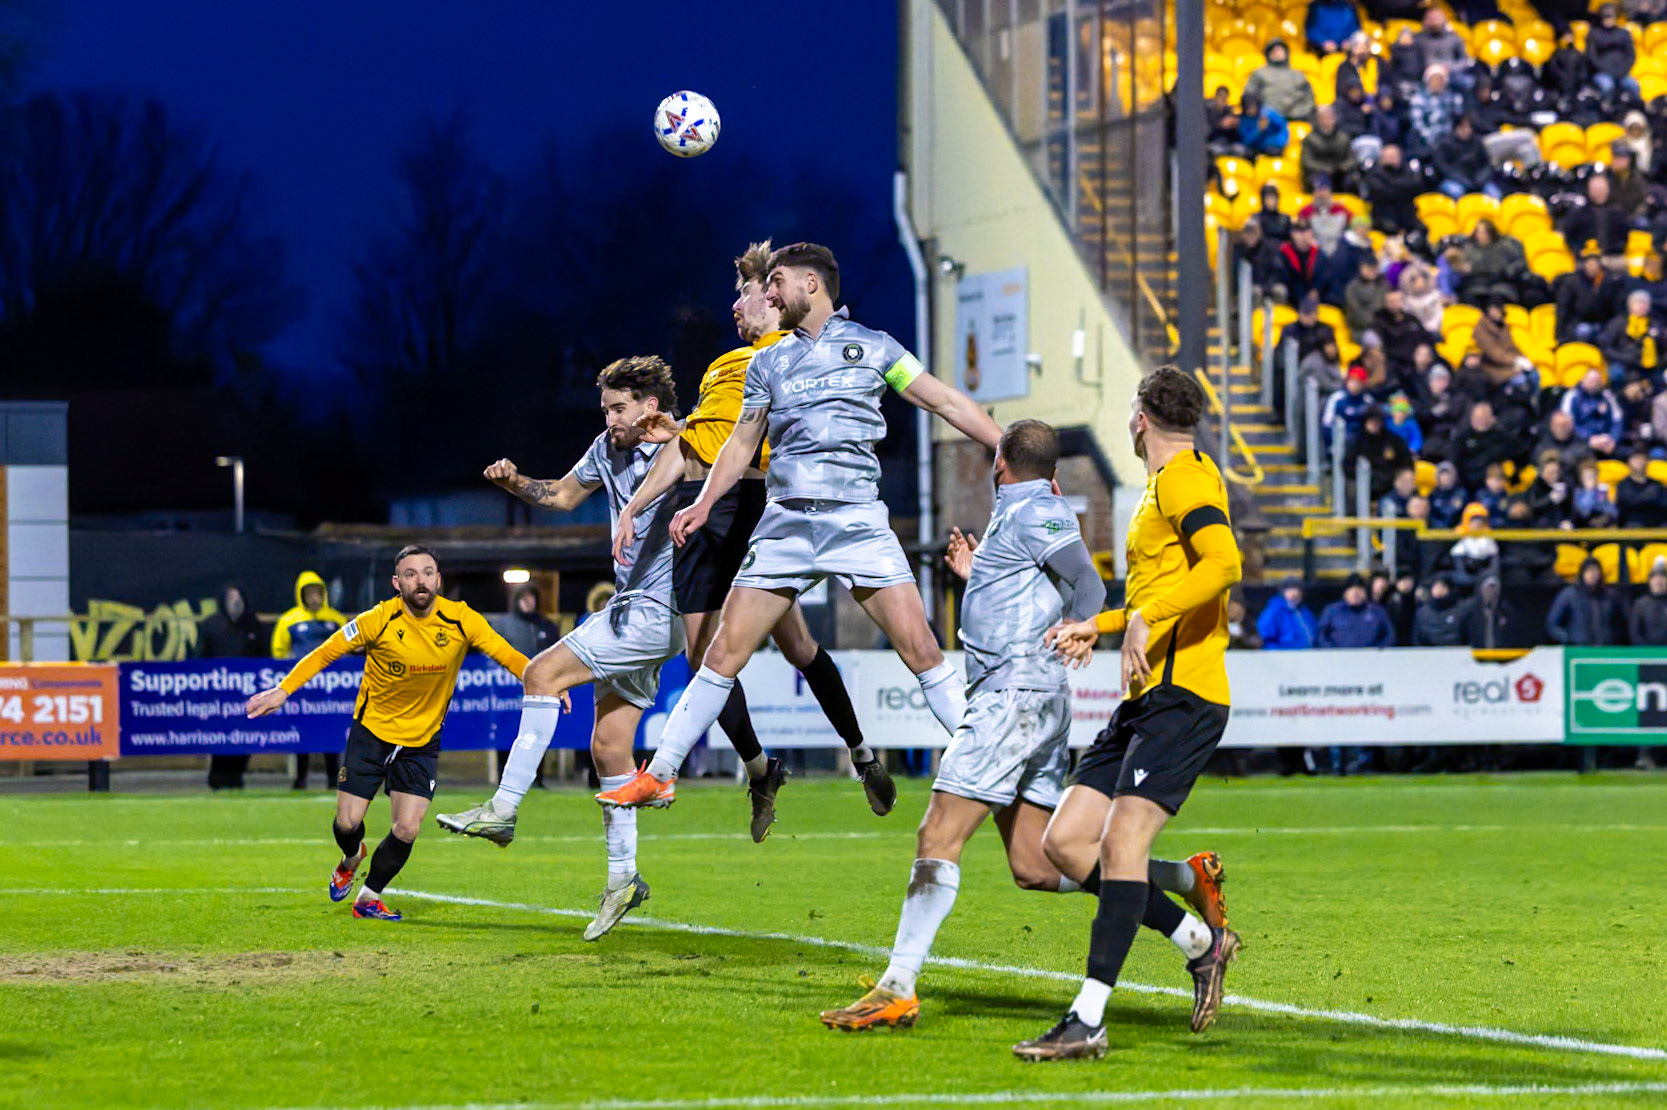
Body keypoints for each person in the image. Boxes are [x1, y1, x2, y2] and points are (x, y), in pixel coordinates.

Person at [821, 422, 1198, 1032]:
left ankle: (898, 986)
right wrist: (980, 575)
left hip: (1014, 699)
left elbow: (1088, 580)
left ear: (999, 462)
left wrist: (1082, 626)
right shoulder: (1017, 511)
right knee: (1037, 865)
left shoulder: (1036, 510)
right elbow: (1033, 589)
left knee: (937, 834)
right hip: (1028, 701)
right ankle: (1184, 882)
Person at [599, 242, 1003, 809]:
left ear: (810, 284)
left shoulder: (876, 347)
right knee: (720, 654)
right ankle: (662, 771)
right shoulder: (767, 362)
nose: (769, 294)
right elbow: (741, 443)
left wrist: (1009, 450)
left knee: (921, 650)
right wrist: (703, 502)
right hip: (784, 524)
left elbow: (945, 403)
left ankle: (987, 763)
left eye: (777, 282)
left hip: (856, 519)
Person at [610, 242, 892, 833]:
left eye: (745, 293)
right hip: (703, 510)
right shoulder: (723, 366)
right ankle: (760, 769)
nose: (736, 305)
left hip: (759, 505)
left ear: (773, 293)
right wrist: (636, 503)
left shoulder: (793, 356)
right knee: (702, 657)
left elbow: (761, 438)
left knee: (798, 648)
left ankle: (862, 754)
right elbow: (694, 447)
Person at [1012, 367, 1242, 1060]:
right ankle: (1198, 940)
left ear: (1140, 417)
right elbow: (1158, 596)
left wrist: (1143, 615)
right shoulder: (1165, 482)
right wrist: (1103, 623)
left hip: (1184, 698)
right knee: (1063, 844)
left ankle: (1087, 1020)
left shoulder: (1184, 480)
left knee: (1118, 847)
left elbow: (1223, 564)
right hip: (1143, 701)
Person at [434, 356, 694, 940]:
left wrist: (680, 434)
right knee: (609, 747)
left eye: (619, 408)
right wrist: (515, 482)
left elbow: (735, 454)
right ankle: (623, 879)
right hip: (635, 607)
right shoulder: (607, 448)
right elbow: (560, 494)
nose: (609, 419)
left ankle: (503, 808)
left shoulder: (688, 444)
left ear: (650, 406)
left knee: (541, 673)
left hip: (659, 608)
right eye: (604, 409)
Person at [245, 546, 529, 922]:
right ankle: (351, 857)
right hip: (372, 733)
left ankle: (368, 898)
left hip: (421, 740)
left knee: (407, 828)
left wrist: (545, 683)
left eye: (427, 572)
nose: (420, 580)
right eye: (410, 574)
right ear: (397, 583)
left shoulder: (462, 619)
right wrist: (283, 690)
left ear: (438, 579)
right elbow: (326, 652)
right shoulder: (378, 619)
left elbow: (508, 655)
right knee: (347, 823)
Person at [271, 570, 346, 790]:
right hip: (302, 688)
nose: (314, 597)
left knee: (331, 732)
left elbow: (348, 646)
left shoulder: (335, 619)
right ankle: (300, 778)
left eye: (317, 592)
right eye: (309, 593)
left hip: (329, 689)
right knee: (302, 733)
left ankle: (333, 778)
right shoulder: (289, 620)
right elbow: (278, 651)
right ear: (301, 595)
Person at [488, 585, 561, 789]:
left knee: (537, 732)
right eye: (524, 597)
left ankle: (537, 778)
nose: (528, 601)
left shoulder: (546, 626)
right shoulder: (503, 625)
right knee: (507, 734)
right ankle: (505, 779)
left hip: (538, 691)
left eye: (531, 597)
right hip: (507, 692)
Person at [199, 584, 264, 790]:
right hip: (220, 696)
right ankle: (217, 777)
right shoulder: (211, 625)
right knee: (221, 737)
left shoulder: (253, 625)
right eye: (231, 598)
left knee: (245, 737)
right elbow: (200, 659)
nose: (236, 602)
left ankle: (237, 776)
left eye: (239, 597)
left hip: (247, 694)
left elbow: (265, 657)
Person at [1547, 556, 1628, 645]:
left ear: (1600, 573)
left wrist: (1614, 638)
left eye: (1595, 570)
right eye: (1588, 571)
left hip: (1606, 649)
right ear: (1582, 573)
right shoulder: (1569, 595)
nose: (1592, 574)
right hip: (1578, 648)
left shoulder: (1611, 596)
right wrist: (1568, 638)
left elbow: (1623, 622)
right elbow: (1552, 625)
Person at [1561, 178, 1632, 271]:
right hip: (1585, 259)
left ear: (1608, 190)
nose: (1599, 193)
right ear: (1589, 191)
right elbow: (1569, 237)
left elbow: (1627, 235)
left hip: (1613, 258)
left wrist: (1619, 248)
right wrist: (1581, 253)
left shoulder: (1618, 213)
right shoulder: (1578, 214)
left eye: (1601, 190)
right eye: (1595, 190)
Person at [1346, 405, 1414, 501]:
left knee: (1407, 477)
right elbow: (1348, 466)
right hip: (1365, 480)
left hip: (1390, 480)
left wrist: (1400, 475)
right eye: (1371, 421)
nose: (1374, 424)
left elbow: (1406, 462)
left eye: (1377, 421)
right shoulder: (1357, 441)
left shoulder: (1393, 439)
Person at [1450, 400, 1520, 491]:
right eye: (1477, 418)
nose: (1480, 421)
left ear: (1491, 418)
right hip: (1466, 481)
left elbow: (1516, 451)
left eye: (1483, 418)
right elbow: (1454, 460)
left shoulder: (1500, 435)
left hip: (1492, 481)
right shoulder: (1463, 435)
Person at [1556, 248, 1622, 342]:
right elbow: (1563, 309)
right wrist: (1560, 334)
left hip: (1603, 323)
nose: (1593, 267)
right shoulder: (1572, 282)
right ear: (1584, 265)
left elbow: (1616, 307)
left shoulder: (1609, 281)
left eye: (1595, 263)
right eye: (1590, 263)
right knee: (1583, 331)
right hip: (1579, 323)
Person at [1243, 39, 1315, 123]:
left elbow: (1309, 98)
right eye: (1274, 51)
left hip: (1296, 117)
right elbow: (1250, 93)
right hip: (1267, 118)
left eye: (1280, 50)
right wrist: (1256, 109)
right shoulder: (1259, 73)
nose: (1277, 53)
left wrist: (1299, 113)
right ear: (1268, 54)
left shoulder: (1299, 75)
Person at [1317, 572, 1396, 647]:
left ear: (1365, 593)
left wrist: (1377, 650)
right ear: (1345, 593)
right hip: (1340, 655)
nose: (1355, 593)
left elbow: (1390, 635)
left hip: (1370, 655)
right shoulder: (1332, 611)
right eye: (1351, 590)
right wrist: (1332, 651)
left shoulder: (1377, 611)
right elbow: (1321, 635)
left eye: (1359, 589)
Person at [1560, 369, 1624, 458]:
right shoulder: (1572, 396)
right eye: (1591, 381)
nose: (1594, 384)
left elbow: (1617, 419)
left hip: (1606, 441)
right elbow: (1568, 423)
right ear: (1583, 380)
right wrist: (1589, 439)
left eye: (1597, 381)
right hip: (1580, 442)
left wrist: (1613, 439)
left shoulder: (1608, 396)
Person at [1600, 291, 1663, 381]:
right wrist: (1623, 357)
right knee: (1616, 372)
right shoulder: (1618, 323)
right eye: (1638, 302)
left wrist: (1659, 360)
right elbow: (1605, 346)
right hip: (1623, 363)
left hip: (1649, 365)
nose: (1642, 306)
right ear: (1630, 304)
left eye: (1645, 303)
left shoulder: (1655, 324)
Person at [1433, 115, 1497, 199]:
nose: (1467, 130)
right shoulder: (1445, 144)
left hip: (1477, 180)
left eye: (1469, 127)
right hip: (1455, 180)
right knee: (1456, 192)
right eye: (1463, 127)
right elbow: (1443, 168)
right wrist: (1462, 180)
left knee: (1494, 193)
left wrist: (1481, 178)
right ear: (1456, 128)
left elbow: (1488, 164)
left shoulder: (1477, 142)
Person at [1587, 4, 1640, 101]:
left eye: (1611, 16)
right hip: (1602, 72)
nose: (1609, 19)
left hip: (1622, 73)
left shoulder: (1624, 33)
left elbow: (1631, 55)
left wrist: (1622, 70)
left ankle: (1634, 107)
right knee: (1607, 85)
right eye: (1606, 17)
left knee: (1633, 85)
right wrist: (1607, 71)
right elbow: (1592, 57)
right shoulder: (1593, 34)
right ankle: (1605, 107)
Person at [1408, 65, 1463, 155]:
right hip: (1427, 138)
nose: (1437, 83)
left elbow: (1459, 118)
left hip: (1450, 137)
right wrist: (1429, 136)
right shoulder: (1419, 99)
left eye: (1440, 80)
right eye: (1434, 80)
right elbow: (1417, 124)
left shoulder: (1453, 98)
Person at [1302, 108, 1358, 194]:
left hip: (1340, 173)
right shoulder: (1310, 139)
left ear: (1334, 119)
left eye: (1329, 117)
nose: (1327, 120)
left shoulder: (1344, 138)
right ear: (1318, 120)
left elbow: (1352, 159)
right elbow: (1307, 162)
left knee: (1352, 181)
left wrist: (1342, 167)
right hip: (1319, 173)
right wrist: (1327, 169)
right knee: (1320, 181)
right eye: (1323, 117)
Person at [1257, 580, 1318, 649]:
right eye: (1291, 594)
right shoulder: (1274, 611)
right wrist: (1276, 653)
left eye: (1298, 594)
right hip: (1284, 653)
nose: (1295, 596)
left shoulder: (1304, 611)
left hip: (1307, 653)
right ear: (1283, 593)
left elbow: (1314, 633)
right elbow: (1266, 637)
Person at [1299, 175, 1352, 254]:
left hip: (1338, 250)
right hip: (1315, 251)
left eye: (1324, 190)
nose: (1321, 194)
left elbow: (1354, 226)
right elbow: (1300, 230)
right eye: (1318, 190)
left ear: (1329, 191)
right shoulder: (1306, 211)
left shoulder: (1340, 209)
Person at [1616, 447, 1667, 526]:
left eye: (1642, 458)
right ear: (1628, 462)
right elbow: (1630, 503)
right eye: (1636, 458)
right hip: (1633, 525)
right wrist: (1651, 497)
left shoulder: (1656, 484)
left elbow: (1664, 504)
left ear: (1647, 462)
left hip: (1657, 524)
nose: (1639, 462)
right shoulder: (1623, 485)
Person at [1412, 574, 1465, 645]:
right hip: (1427, 650)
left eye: (1443, 586)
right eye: (1436, 587)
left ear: (1449, 589)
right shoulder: (1422, 612)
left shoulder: (1461, 610)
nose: (1439, 590)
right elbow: (1417, 638)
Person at [1344, 254, 1389, 335]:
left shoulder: (1383, 284)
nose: (1372, 271)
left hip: (1383, 326)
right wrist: (1375, 323)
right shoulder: (1352, 288)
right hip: (1360, 329)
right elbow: (1356, 312)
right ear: (1361, 268)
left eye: (1374, 268)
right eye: (1369, 268)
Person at [1236, 92, 1290, 158]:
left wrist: (1278, 143)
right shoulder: (1244, 119)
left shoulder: (1269, 114)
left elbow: (1283, 128)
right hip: (1255, 148)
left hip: (1272, 146)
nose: (1251, 111)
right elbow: (1246, 141)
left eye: (1252, 107)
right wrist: (1259, 130)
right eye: (1248, 109)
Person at [1571, 458, 1620, 527]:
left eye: (1593, 476)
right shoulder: (1578, 493)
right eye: (1588, 477)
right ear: (1582, 478)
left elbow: (1613, 512)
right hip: (1583, 526)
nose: (1592, 480)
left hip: (1601, 526)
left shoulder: (1601, 491)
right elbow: (1584, 512)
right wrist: (1590, 492)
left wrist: (1604, 501)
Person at [1429, 460, 1469, 528]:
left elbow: (1462, 511)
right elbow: (1431, 514)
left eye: (1448, 474)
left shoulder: (1461, 493)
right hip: (1437, 529)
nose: (1446, 477)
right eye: (1443, 475)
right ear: (1438, 477)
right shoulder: (1433, 494)